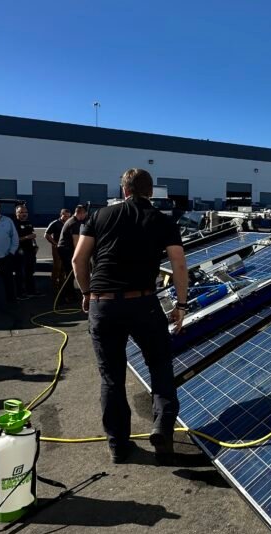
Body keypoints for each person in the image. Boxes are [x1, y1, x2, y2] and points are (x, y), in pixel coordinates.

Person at [73, 168, 187, 464]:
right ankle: (162, 427)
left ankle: (118, 445)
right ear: (151, 192)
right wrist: (182, 305)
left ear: (124, 191)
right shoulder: (163, 221)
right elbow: (179, 265)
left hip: (103, 304)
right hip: (143, 304)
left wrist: (87, 293)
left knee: (111, 378)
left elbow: (78, 259)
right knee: (160, 366)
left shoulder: (99, 216)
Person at [57, 205, 88, 302]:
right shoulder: (75, 223)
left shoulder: (72, 220)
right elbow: (76, 242)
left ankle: (69, 293)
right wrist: (79, 255)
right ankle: (67, 295)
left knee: (69, 272)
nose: (85, 217)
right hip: (66, 250)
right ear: (81, 213)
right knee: (70, 273)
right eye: (85, 214)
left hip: (64, 248)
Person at [12, 203, 42, 298]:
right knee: (20, 273)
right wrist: (27, 237)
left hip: (30, 251)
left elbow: (31, 235)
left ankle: (31, 291)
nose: (24, 214)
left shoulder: (29, 222)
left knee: (30, 272)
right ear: (16, 213)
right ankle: (20, 293)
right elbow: (13, 239)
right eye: (21, 212)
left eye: (25, 212)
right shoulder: (13, 224)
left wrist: (35, 245)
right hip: (19, 251)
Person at [44, 208, 71, 295]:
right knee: (57, 267)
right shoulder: (55, 223)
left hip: (67, 248)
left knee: (64, 267)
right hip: (57, 248)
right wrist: (55, 244)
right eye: (65, 216)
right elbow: (46, 235)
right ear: (61, 214)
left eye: (68, 216)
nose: (67, 218)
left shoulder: (70, 223)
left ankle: (61, 285)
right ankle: (53, 285)